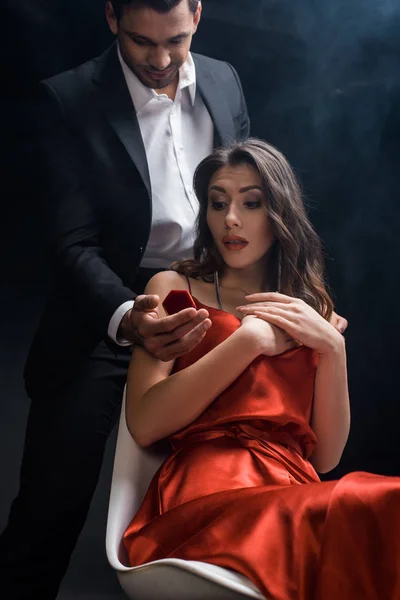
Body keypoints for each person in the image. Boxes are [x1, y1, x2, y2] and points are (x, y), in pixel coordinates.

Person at [0, 1, 255, 598]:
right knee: (47, 516)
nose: (161, 60)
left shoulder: (223, 78)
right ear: (111, 16)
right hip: (103, 314)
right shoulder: (66, 100)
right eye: (142, 42)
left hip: (207, 307)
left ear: (198, 10)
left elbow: (251, 202)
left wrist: (293, 294)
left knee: (225, 503)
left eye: (178, 40)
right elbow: (71, 243)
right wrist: (126, 317)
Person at [122, 138, 400, 600]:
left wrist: (334, 350)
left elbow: (326, 458)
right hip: (209, 496)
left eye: (251, 203)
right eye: (217, 203)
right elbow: (145, 424)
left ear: (281, 213)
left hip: (294, 488)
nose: (230, 219)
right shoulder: (173, 289)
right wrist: (249, 340)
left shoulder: (308, 310)